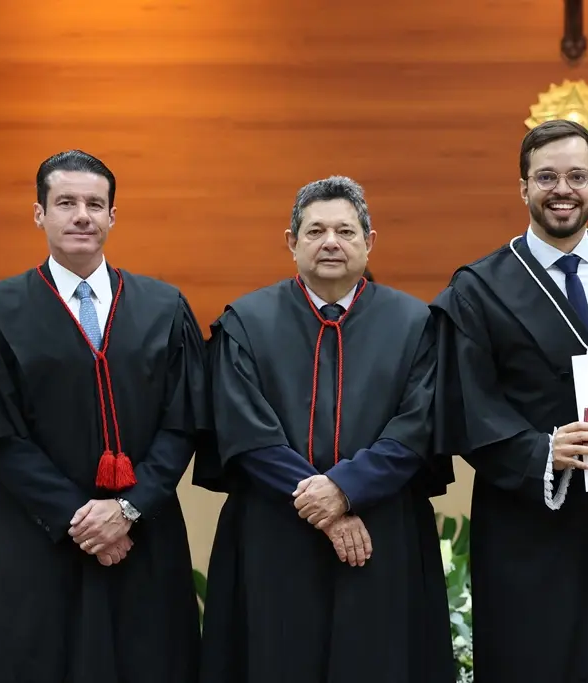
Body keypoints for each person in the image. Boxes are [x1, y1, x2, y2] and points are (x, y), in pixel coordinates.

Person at [0, 150, 207, 683]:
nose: (82, 215)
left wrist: (127, 510)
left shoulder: (163, 307)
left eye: (95, 204)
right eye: (66, 202)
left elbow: (183, 423)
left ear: (112, 216)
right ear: (40, 214)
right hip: (37, 535)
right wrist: (79, 518)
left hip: (142, 534)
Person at [429, 119, 588, 683]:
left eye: (576, 176)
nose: (561, 189)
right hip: (535, 516)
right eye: (546, 177)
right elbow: (466, 396)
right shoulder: (479, 287)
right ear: (523, 188)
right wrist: (539, 449)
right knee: (539, 659)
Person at [193, 175, 455, 683]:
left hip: (382, 532)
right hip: (273, 534)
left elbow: (418, 425)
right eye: (314, 231)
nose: (330, 242)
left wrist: (346, 489)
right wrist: (330, 509)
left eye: (345, 230)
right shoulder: (244, 323)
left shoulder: (417, 323)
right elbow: (247, 433)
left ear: (369, 242)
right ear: (291, 243)